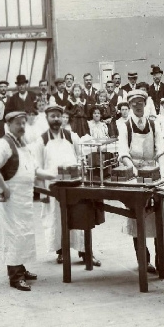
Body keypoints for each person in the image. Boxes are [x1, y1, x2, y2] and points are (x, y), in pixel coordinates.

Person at [0, 111, 55, 291]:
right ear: (8, 125)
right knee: (14, 234)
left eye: (24, 123)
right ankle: (15, 277)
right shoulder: (3, 144)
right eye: (18, 123)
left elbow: (34, 169)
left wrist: (55, 174)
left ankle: (21, 269)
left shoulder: (21, 143)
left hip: (24, 198)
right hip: (11, 198)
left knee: (24, 232)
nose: (22, 126)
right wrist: (5, 188)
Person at [117, 90, 164, 275]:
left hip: (154, 174)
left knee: (161, 218)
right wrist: (137, 173)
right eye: (134, 103)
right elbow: (123, 154)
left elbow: (160, 150)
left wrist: (161, 173)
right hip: (134, 175)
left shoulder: (154, 123)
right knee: (138, 218)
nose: (138, 106)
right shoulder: (125, 126)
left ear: (145, 104)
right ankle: (144, 262)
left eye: (141, 102)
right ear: (129, 106)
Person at [37, 105, 101, 267]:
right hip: (53, 187)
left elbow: (80, 158)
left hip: (74, 184)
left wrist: (81, 171)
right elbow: (38, 167)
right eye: (52, 116)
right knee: (57, 219)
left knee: (81, 216)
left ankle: (86, 252)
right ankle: (62, 252)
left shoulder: (71, 136)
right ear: (47, 119)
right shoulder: (42, 140)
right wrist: (43, 194)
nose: (56, 119)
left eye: (58, 116)